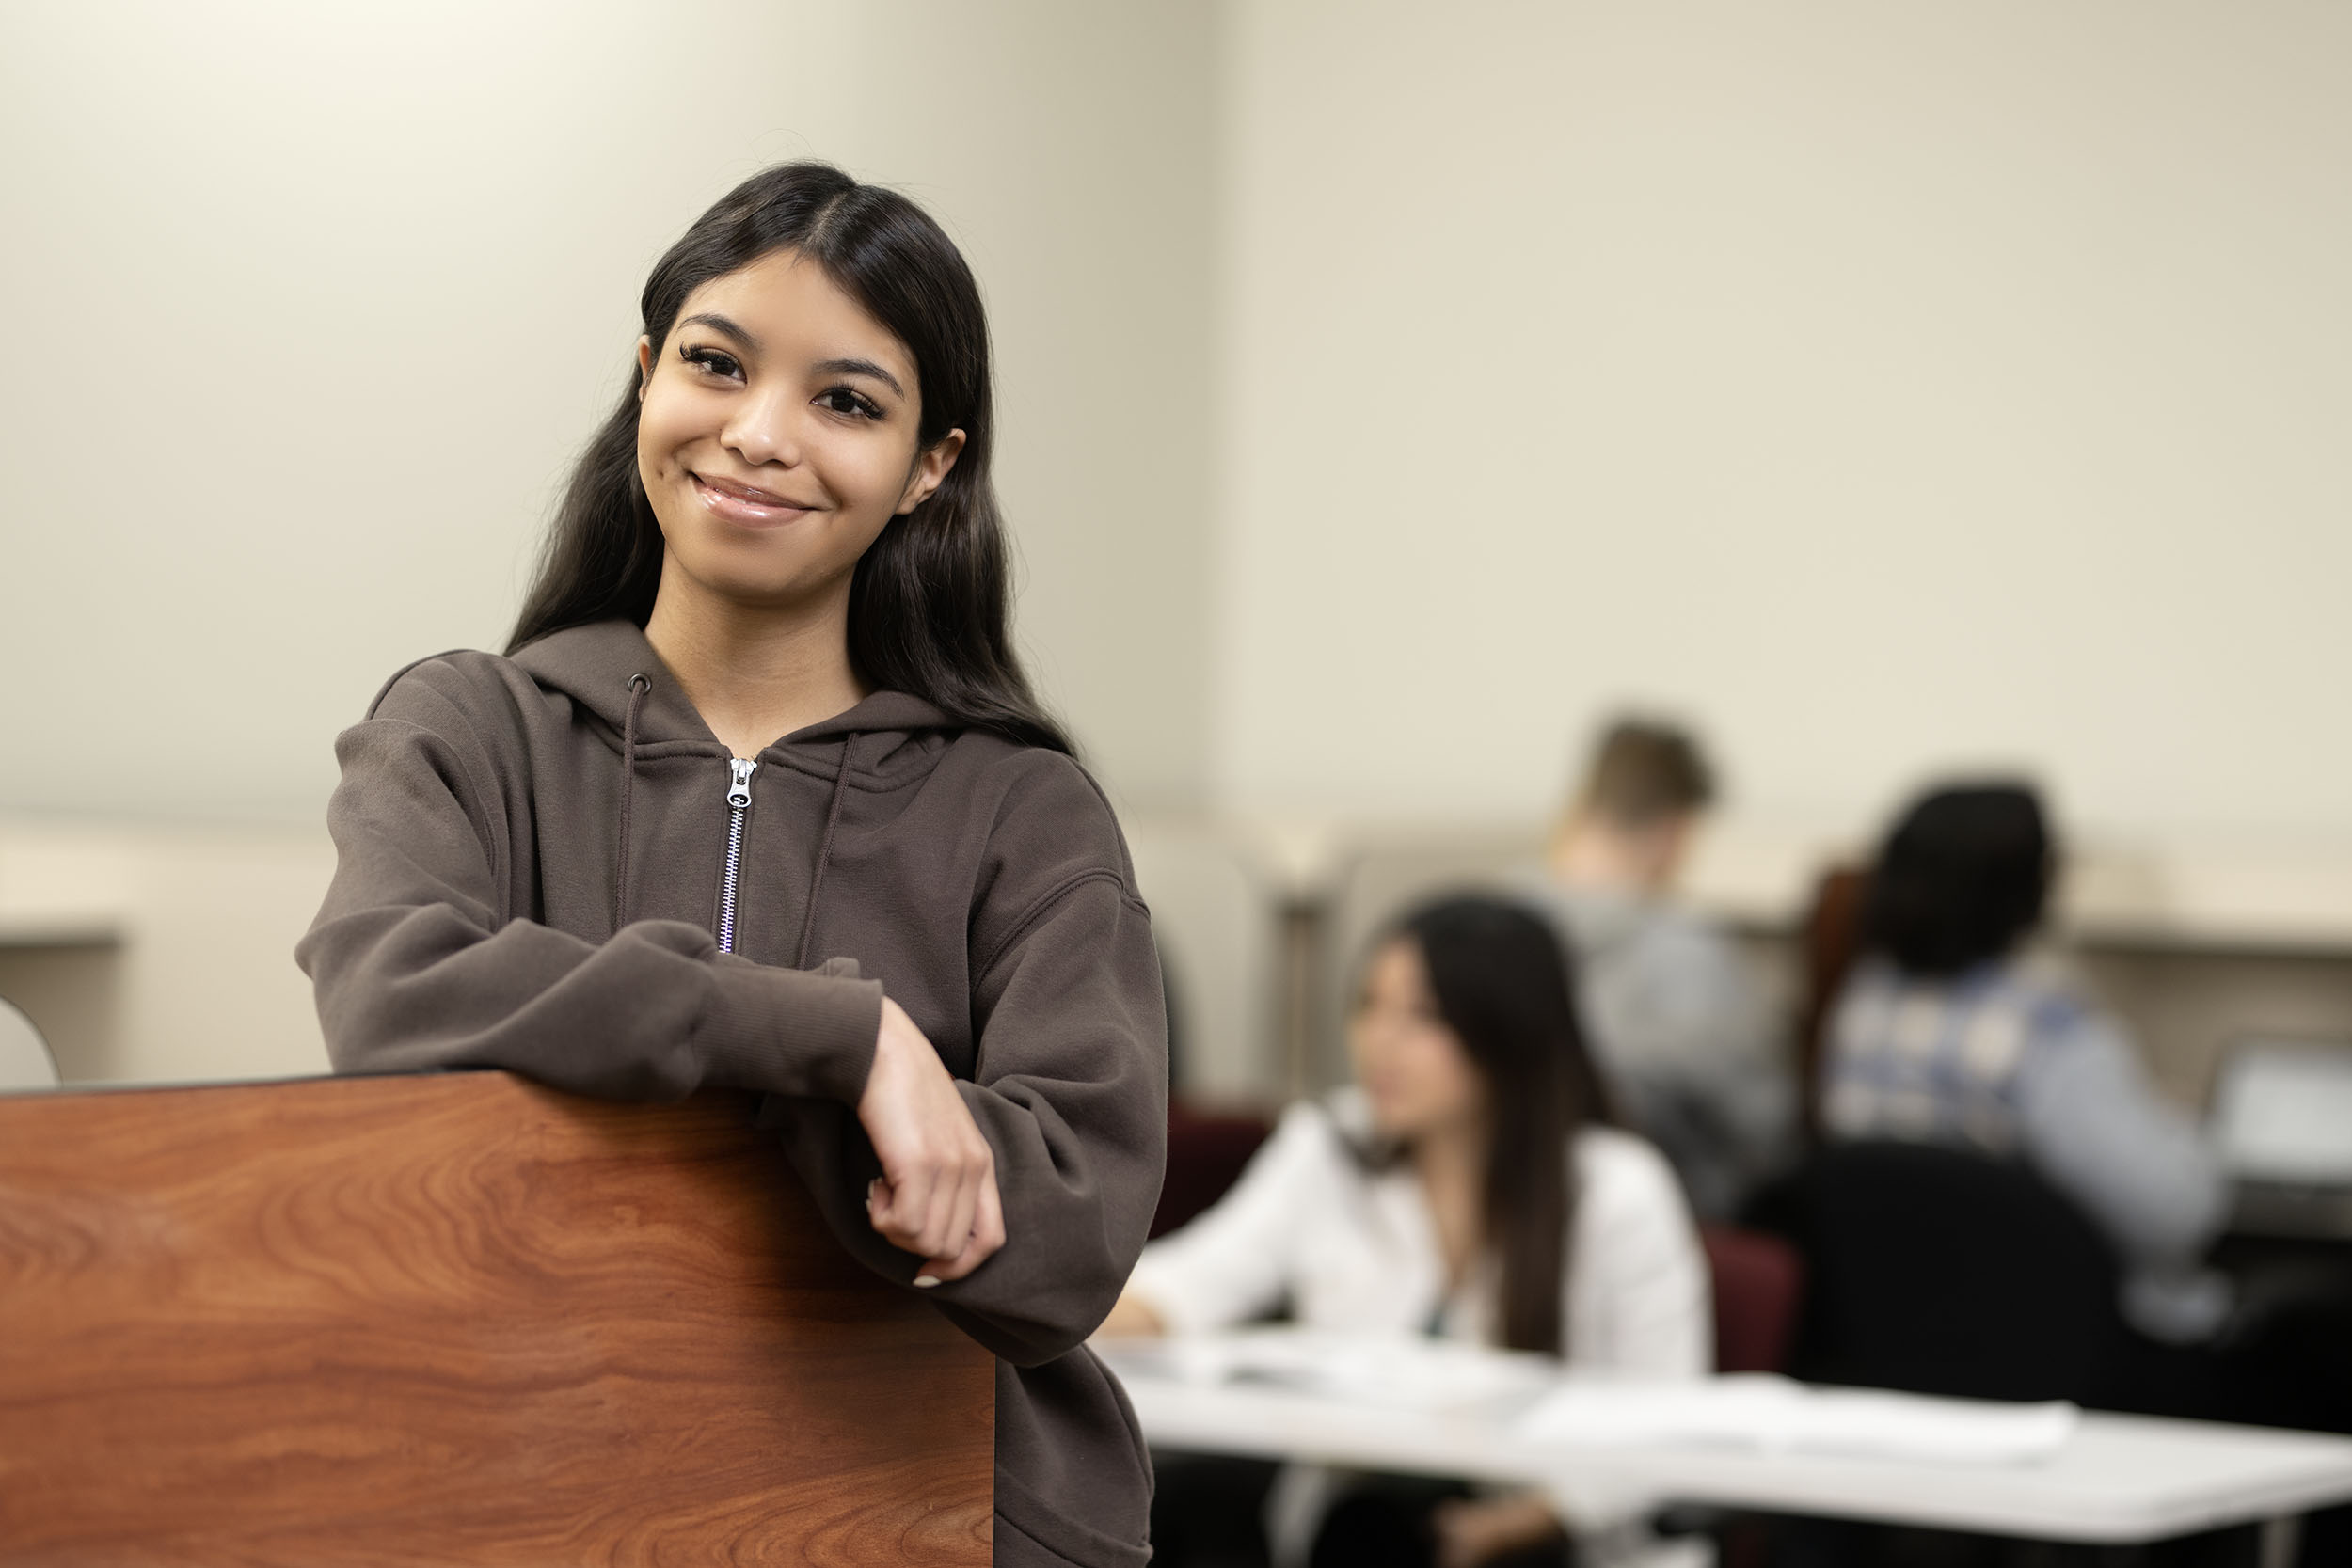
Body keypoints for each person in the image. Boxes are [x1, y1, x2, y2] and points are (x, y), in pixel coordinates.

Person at [295, 164, 1168, 1568]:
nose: (761, 435)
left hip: (944, 1508)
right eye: (715, 364)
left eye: (846, 400)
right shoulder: (466, 727)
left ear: (929, 466)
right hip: (537, 1485)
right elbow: (394, 1003)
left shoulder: (1026, 809)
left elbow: (1069, 1232)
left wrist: (775, 1077)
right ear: (646, 379)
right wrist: (842, 1039)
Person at [1102, 895, 1708, 1568]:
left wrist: (1528, 1518)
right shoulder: (1331, 1146)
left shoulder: (1617, 1189)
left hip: (1564, 1545)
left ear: (1507, 1032)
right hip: (1365, 1534)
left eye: (1421, 1016)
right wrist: (1040, 1316)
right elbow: (1193, 1281)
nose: (1378, 1041)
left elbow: (1663, 1423)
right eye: (1369, 1005)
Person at [1820, 782, 2231, 1345]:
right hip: (2067, 1348)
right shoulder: (2047, 1027)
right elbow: (2175, 1217)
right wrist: (2182, 1127)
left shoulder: (1861, 1007)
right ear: (2030, 888)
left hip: (1902, 1338)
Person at [1518, 718, 1794, 1220]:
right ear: (1676, 832)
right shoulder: (1689, 956)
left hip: (1521, 1218)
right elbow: (1764, 1135)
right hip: (1671, 1226)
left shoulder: (1494, 928)